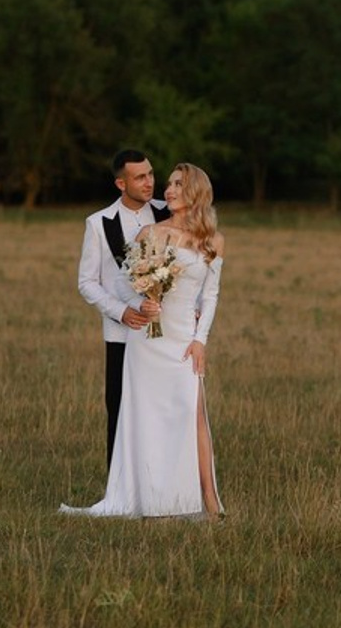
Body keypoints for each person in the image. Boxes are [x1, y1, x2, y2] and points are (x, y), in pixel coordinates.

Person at [62, 163, 225, 519]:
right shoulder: (150, 232)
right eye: (168, 184)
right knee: (146, 417)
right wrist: (141, 304)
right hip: (148, 340)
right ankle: (151, 498)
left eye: (177, 184)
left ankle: (209, 502)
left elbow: (210, 296)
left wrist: (201, 340)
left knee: (193, 414)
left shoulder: (212, 240)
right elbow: (124, 282)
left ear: (196, 191)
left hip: (184, 339)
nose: (167, 190)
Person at [77, 150, 171, 468]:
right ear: (121, 182)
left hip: (166, 333)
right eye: (140, 177)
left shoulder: (168, 212)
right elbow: (87, 282)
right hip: (123, 332)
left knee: (162, 408)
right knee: (119, 408)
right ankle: (118, 489)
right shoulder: (99, 223)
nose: (149, 182)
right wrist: (120, 311)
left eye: (151, 174)